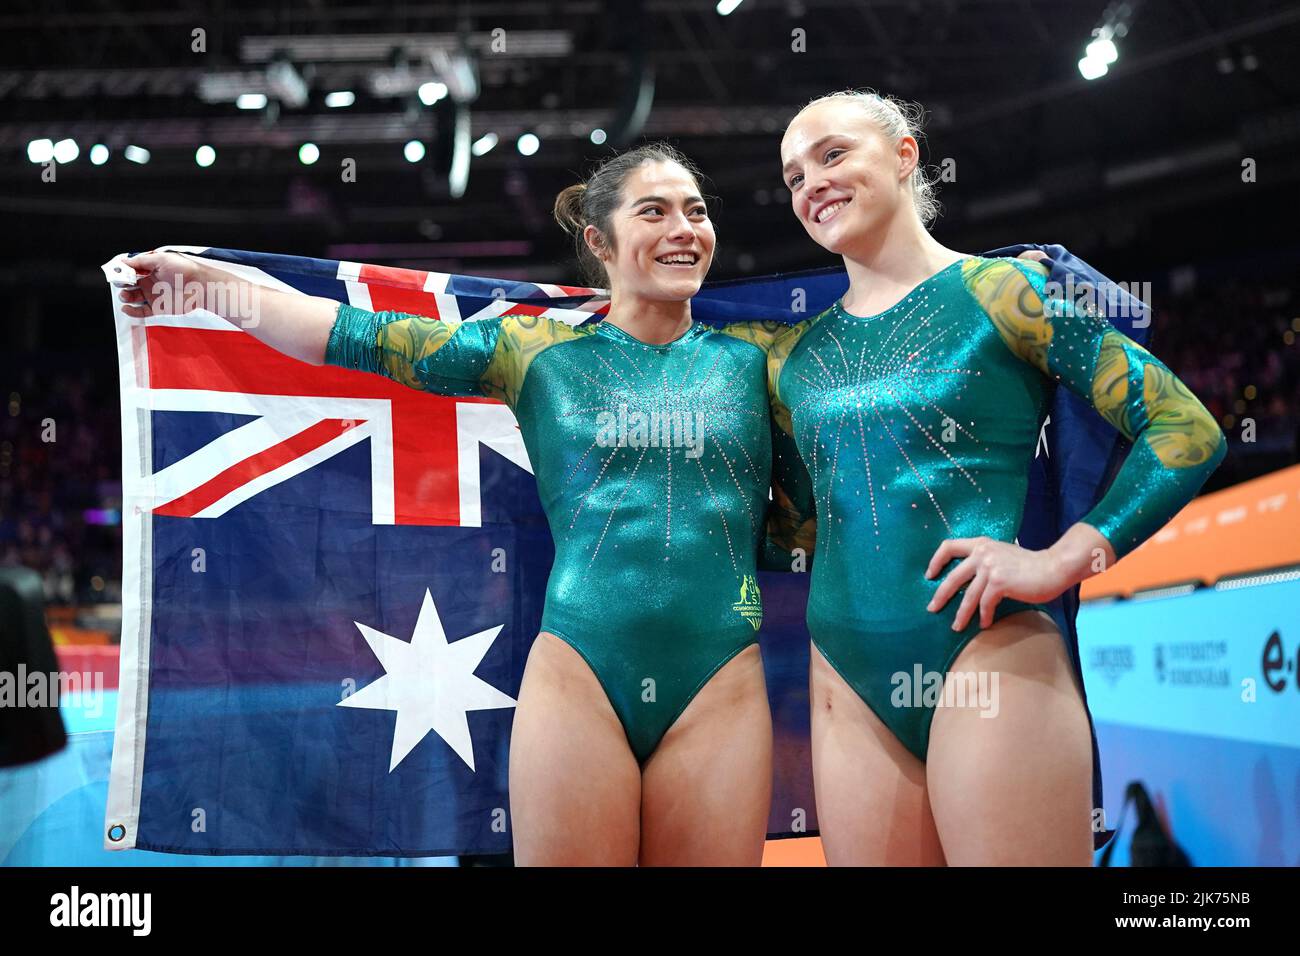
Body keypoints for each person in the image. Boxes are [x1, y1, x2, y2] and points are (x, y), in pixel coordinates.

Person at [116, 144, 783, 866]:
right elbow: (354, 337)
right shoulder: (536, 351)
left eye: (697, 211)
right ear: (600, 240)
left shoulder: (758, 361)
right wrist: (209, 285)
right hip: (581, 679)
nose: (684, 227)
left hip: (719, 683)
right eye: (653, 211)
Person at [773, 89, 1226, 864]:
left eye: (833, 154)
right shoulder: (793, 354)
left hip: (986, 655)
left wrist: (1060, 558)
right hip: (845, 678)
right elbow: (802, 517)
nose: (810, 183)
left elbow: (1187, 429)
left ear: (905, 154)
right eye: (792, 177)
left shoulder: (1002, 293)